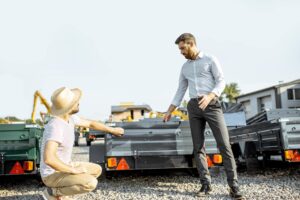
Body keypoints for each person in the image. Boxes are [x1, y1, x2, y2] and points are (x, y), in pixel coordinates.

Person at [163, 33, 244, 199]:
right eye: (180, 49)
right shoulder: (184, 67)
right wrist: (170, 110)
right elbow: (180, 89)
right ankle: (205, 185)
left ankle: (234, 186)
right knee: (198, 147)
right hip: (193, 107)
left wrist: (210, 95)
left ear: (191, 44)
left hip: (212, 105)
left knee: (224, 145)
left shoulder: (210, 59)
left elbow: (221, 81)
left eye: (183, 48)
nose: (181, 52)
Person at [41, 87, 124, 200]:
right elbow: (49, 159)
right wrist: (73, 170)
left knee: (96, 170)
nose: (78, 103)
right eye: (75, 102)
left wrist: (112, 130)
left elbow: (91, 123)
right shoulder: (56, 126)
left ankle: (62, 191)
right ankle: (52, 192)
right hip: (52, 174)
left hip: (65, 166)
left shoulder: (71, 119)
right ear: (69, 107)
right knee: (90, 183)